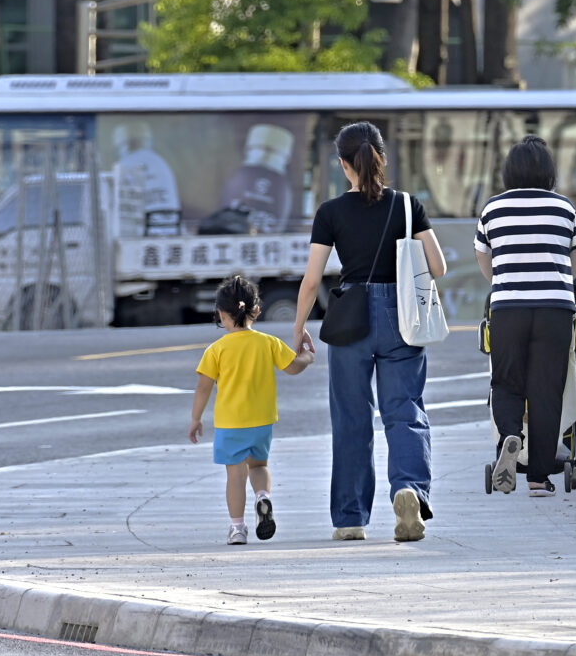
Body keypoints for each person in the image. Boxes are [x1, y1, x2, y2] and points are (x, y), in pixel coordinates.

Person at [291, 121, 447, 542]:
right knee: (405, 411)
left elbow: (311, 280)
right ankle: (409, 489)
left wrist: (299, 326)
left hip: (350, 318)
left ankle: (349, 518)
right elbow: (437, 267)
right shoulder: (406, 205)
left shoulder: (331, 213)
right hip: (402, 316)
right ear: (382, 157)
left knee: (352, 417)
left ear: (344, 164)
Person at [474, 135, 576, 498]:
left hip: (508, 308)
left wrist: (506, 283)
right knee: (547, 391)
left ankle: (510, 433)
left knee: (506, 382)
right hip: (556, 309)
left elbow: (484, 258)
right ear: (548, 171)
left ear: (509, 171)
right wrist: (557, 283)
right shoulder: (564, 208)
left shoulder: (492, 209)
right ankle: (539, 478)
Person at [189, 275, 315, 545]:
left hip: (230, 424)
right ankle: (263, 497)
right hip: (262, 421)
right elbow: (293, 367)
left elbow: (203, 387)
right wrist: (307, 355)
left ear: (221, 314)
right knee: (259, 466)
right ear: (256, 310)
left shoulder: (216, 349)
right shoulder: (267, 342)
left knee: (235, 475)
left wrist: (196, 418)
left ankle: (237, 528)